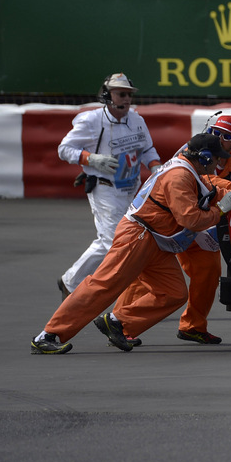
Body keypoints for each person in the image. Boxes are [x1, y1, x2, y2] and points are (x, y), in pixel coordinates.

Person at [31, 134, 231, 354]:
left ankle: (117, 323)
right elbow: (190, 219)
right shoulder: (179, 176)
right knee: (103, 285)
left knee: (173, 292)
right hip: (138, 236)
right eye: (216, 159)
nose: (219, 164)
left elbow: (207, 190)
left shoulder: (189, 170)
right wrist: (221, 208)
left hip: (155, 240)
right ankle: (48, 335)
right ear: (203, 157)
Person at [113, 112, 231, 345]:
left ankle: (193, 326)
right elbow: (206, 182)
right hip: (168, 224)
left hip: (201, 226)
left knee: (209, 271)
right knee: (143, 273)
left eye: (225, 136)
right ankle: (120, 326)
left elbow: (230, 202)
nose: (218, 138)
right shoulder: (190, 151)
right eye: (214, 132)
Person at [55, 74, 161, 298]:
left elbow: (148, 148)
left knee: (137, 238)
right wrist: (91, 159)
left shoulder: (137, 120)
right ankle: (71, 282)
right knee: (112, 241)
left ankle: (131, 292)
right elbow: (64, 149)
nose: (127, 99)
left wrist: (155, 168)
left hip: (133, 189)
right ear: (106, 95)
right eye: (121, 94)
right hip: (105, 188)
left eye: (129, 95)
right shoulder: (91, 120)